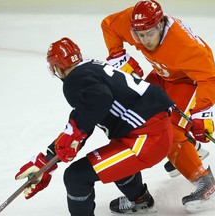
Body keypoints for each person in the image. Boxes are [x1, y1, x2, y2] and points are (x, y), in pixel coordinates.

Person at [15, 37, 175, 216]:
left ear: (58, 67)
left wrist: (76, 132)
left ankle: (138, 198)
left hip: (146, 139)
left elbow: (100, 101)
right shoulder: (91, 67)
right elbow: (85, 119)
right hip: (154, 130)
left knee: (76, 177)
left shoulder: (74, 80)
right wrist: (49, 160)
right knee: (113, 154)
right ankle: (140, 200)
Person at [101, 0, 215, 212]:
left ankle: (207, 186)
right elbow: (108, 24)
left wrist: (201, 113)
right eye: (139, 35)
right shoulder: (134, 22)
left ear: (160, 24)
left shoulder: (185, 48)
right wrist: (117, 55)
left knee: (166, 130)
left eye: (149, 33)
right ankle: (140, 196)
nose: (144, 40)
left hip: (186, 79)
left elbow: (212, 79)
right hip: (162, 73)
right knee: (131, 115)